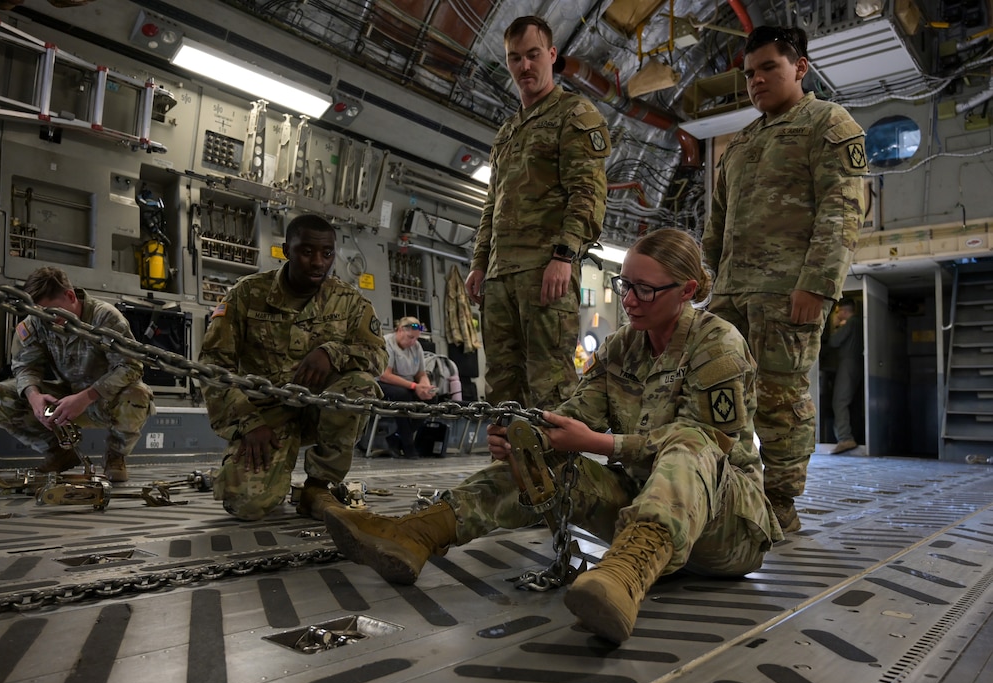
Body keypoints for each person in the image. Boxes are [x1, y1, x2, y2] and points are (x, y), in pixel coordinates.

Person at [326, 229, 782, 645]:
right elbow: (577, 413)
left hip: (726, 529)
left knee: (690, 442)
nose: (630, 300)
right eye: (625, 285)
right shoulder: (623, 347)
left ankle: (624, 576)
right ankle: (420, 532)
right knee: (541, 456)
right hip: (644, 510)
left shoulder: (717, 343)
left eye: (646, 289)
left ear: (686, 291)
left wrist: (600, 444)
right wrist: (530, 437)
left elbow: (708, 444)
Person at [701, 25, 867, 532]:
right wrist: (711, 283)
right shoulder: (741, 145)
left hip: (787, 293)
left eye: (769, 67)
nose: (756, 81)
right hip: (730, 295)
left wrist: (817, 284)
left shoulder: (827, 123)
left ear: (800, 66)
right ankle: (721, 489)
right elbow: (717, 226)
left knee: (780, 400)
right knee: (714, 393)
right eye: (749, 73)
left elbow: (842, 210)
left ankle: (780, 504)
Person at [199, 214, 386, 521]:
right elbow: (213, 364)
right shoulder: (247, 295)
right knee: (247, 505)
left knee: (360, 385)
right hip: (267, 413)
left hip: (322, 407)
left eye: (327, 254)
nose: (318, 262)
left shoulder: (350, 302)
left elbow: (378, 356)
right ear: (286, 250)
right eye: (306, 251)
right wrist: (248, 423)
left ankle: (318, 485)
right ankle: (274, 475)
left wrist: (333, 352)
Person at [465, 15, 610, 409]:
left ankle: (553, 470)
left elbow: (587, 193)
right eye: (515, 58)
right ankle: (508, 469)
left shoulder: (574, 114)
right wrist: (479, 263)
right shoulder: (508, 131)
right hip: (499, 277)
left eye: (532, 55)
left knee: (549, 385)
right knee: (501, 387)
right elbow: (492, 205)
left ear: (551, 54)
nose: (524, 66)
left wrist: (564, 256)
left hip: (546, 273)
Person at [0, 266, 154, 483]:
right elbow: (25, 366)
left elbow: (131, 367)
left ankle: (115, 455)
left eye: (52, 312)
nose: (48, 320)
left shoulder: (105, 318)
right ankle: (59, 453)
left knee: (138, 393)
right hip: (63, 400)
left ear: (70, 296)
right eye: (41, 313)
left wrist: (86, 397)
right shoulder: (36, 321)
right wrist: (34, 397)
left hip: (105, 401)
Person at [376, 316, 436, 458]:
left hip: (409, 384)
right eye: (410, 337)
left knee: (431, 400)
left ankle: (396, 438)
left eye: (416, 338)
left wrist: (425, 387)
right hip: (384, 383)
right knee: (403, 396)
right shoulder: (387, 343)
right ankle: (408, 445)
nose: (413, 342)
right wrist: (415, 386)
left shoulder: (416, 346)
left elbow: (421, 373)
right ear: (400, 330)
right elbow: (385, 375)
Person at [828, 298, 863, 454]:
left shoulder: (850, 323)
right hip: (857, 363)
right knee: (851, 403)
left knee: (839, 401)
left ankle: (845, 438)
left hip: (848, 364)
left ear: (844, 311)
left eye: (838, 312)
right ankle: (850, 436)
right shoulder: (859, 323)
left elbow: (834, 342)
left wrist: (835, 326)